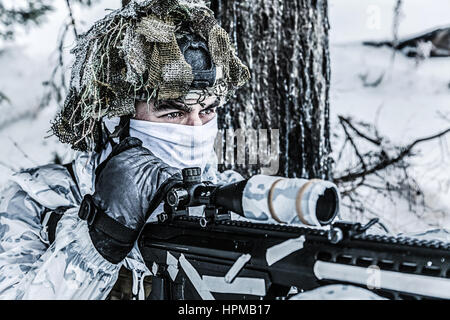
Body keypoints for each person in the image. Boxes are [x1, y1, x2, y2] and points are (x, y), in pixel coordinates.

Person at [0, 0, 249, 299]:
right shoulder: (36, 200)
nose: (194, 130)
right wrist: (98, 239)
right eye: (172, 114)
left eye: (207, 111)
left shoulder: (234, 200)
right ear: (115, 119)